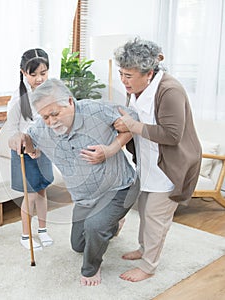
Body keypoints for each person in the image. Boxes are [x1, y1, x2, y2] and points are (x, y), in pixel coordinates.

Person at [18, 78, 138, 286]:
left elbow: (133, 120)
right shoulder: (42, 129)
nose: (51, 121)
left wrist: (110, 149)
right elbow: (29, 143)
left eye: (55, 113)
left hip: (119, 187)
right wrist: (20, 140)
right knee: (78, 245)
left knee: (94, 226)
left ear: (71, 102)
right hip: (85, 198)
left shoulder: (95, 110)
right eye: (45, 116)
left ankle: (92, 270)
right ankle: (113, 223)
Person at [113, 37, 202, 282]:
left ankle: (149, 267)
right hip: (148, 162)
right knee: (144, 210)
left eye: (128, 76)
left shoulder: (169, 90)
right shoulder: (136, 88)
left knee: (155, 216)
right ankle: (144, 249)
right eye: (121, 73)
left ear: (149, 72)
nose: (123, 80)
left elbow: (172, 136)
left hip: (172, 165)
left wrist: (134, 125)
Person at [7, 48, 54, 251]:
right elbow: (12, 132)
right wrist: (27, 147)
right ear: (23, 73)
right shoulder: (18, 98)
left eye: (43, 73)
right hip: (24, 151)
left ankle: (42, 230)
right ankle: (26, 235)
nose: (39, 79)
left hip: (43, 150)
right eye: (33, 74)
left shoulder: (49, 93)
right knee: (31, 195)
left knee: (43, 192)